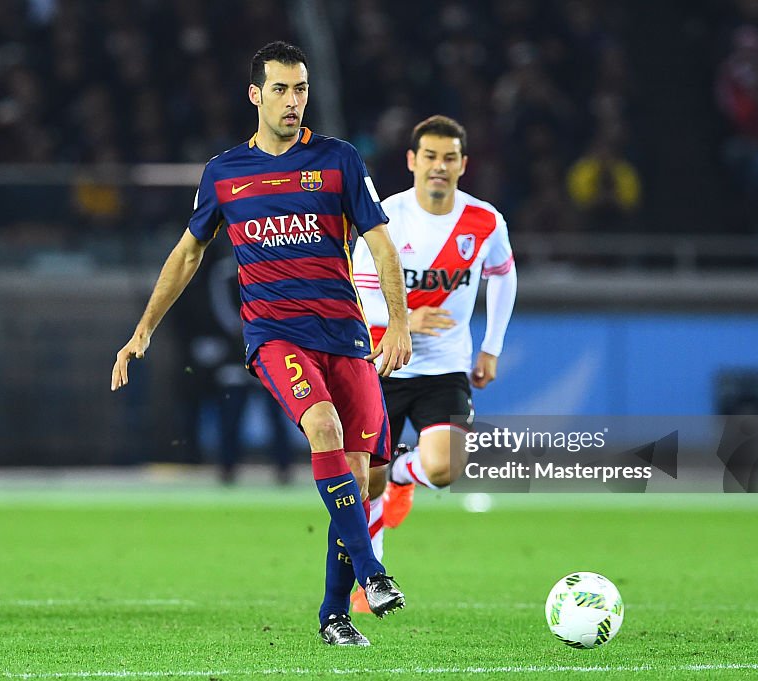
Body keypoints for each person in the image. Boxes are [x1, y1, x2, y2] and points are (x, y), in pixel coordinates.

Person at [111, 41, 411, 646]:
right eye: (280, 89)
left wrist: (398, 323)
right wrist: (144, 328)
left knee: (365, 478)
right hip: (275, 336)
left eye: (301, 89)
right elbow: (188, 252)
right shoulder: (225, 173)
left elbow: (380, 243)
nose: (293, 101)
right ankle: (372, 573)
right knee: (323, 428)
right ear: (255, 95)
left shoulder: (340, 161)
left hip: (346, 335)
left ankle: (334, 616)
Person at [349, 115, 517, 612]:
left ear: (463, 165)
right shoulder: (385, 218)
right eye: (430, 157)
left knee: (446, 467)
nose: (438, 167)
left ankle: (406, 475)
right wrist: (406, 316)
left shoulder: (484, 221)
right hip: (383, 362)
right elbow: (358, 291)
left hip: (445, 369)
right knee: (366, 482)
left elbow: (504, 276)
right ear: (412, 162)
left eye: (448, 158)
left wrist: (492, 347)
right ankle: (369, 579)